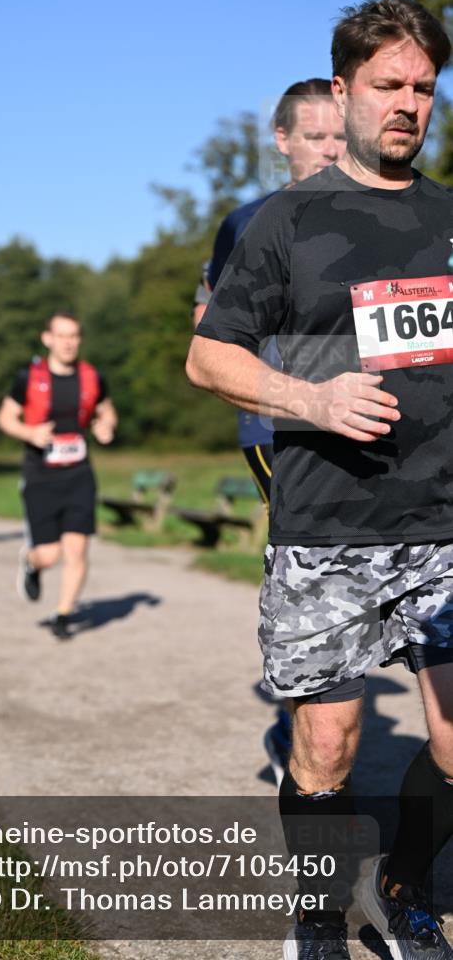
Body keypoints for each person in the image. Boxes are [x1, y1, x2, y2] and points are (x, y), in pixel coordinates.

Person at [187, 0, 452, 960]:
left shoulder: (447, 217)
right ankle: (315, 914)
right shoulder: (285, 221)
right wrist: (312, 398)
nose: (407, 103)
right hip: (331, 524)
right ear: (341, 93)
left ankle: (402, 888)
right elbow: (209, 357)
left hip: (444, 523)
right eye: (387, 85)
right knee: (327, 747)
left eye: (423, 87)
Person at [194, 78, 347, 788]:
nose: (331, 149)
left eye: (340, 134)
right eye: (315, 136)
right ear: (282, 140)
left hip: (369, 416)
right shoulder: (247, 222)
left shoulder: (383, 214)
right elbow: (207, 326)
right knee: (313, 570)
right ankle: (305, 724)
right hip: (276, 423)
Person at [0, 312, 117, 639]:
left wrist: (106, 426)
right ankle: (31, 562)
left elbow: (107, 411)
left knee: (77, 550)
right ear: (47, 339)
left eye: (74, 336)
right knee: (49, 555)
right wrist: (29, 433)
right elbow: (5, 418)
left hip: (79, 473)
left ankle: (63, 615)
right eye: (62, 336)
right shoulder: (27, 378)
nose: (68, 342)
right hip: (40, 474)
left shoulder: (92, 376)